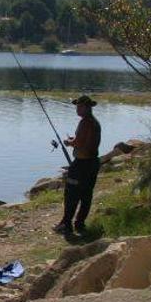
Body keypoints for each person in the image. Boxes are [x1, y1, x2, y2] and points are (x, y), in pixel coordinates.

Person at [54, 95, 102, 235]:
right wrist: (74, 140)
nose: (77, 109)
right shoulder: (93, 122)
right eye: (77, 106)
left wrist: (69, 142)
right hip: (92, 163)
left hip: (82, 164)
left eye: (80, 107)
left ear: (88, 108)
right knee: (86, 194)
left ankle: (66, 224)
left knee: (71, 193)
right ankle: (80, 224)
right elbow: (83, 139)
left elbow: (79, 142)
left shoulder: (86, 122)